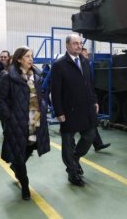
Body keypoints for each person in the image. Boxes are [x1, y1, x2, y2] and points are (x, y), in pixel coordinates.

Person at [0, 46, 50, 200]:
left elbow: (42, 95)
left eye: (31, 56)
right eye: (27, 56)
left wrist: (43, 106)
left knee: (30, 146)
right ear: (19, 59)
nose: (31, 59)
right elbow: (0, 100)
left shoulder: (36, 76)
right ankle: (25, 185)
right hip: (18, 122)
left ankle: (16, 167)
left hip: (36, 120)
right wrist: (10, 117)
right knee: (19, 154)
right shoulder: (8, 76)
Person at [50, 34, 98, 187]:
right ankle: (72, 172)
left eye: (80, 43)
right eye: (75, 43)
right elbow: (55, 91)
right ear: (67, 45)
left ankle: (75, 158)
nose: (79, 46)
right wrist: (59, 112)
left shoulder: (84, 61)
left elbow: (90, 84)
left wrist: (95, 100)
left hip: (86, 108)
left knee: (90, 135)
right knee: (68, 142)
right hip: (68, 111)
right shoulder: (59, 65)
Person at [81, 47, 111, 152]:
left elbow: (90, 86)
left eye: (87, 56)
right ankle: (74, 151)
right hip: (79, 103)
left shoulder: (87, 68)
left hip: (88, 102)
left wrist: (95, 101)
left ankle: (98, 144)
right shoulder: (78, 69)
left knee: (91, 124)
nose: (87, 58)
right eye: (85, 56)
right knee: (84, 127)